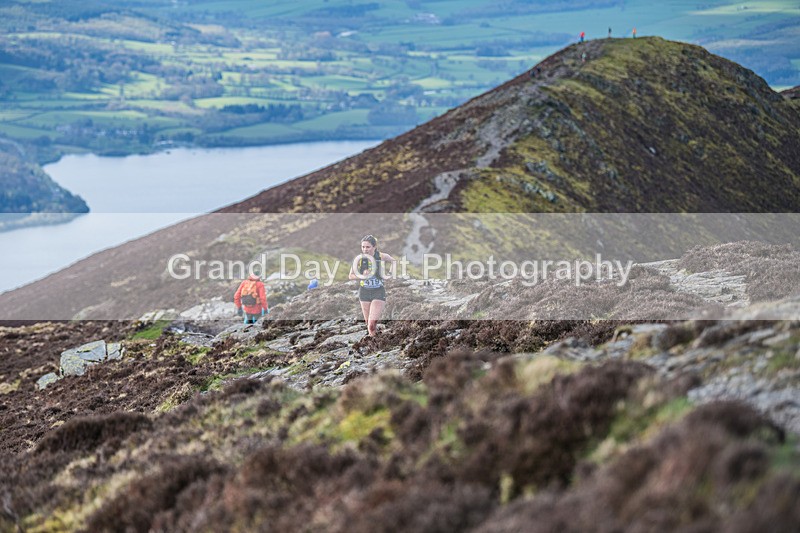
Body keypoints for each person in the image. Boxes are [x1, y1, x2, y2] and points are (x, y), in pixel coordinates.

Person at [349, 235, 396, 336]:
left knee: (371, 324)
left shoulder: (381, 256)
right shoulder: (359, 259)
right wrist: (362, 275)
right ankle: (374, 344)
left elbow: (393, 261)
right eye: (363, 247)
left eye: (368, 247)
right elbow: (351, 276)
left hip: (378, 292)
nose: (365, 249)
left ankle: (375, 342)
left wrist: (390, 274)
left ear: (374, 247)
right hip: (364, 292)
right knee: (369, 325)